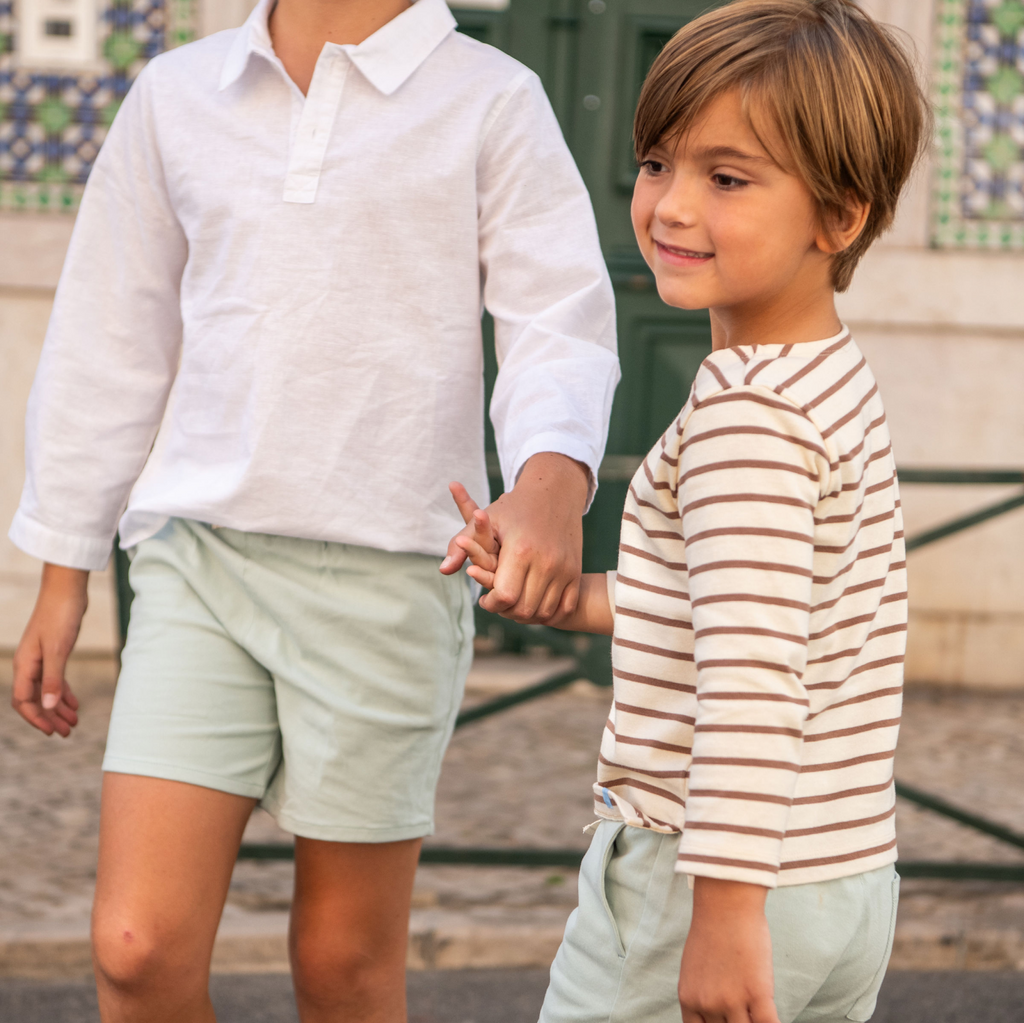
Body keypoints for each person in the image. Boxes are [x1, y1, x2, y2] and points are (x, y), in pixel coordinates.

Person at [8, 0, 619, 1018]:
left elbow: (557, 317)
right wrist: (63, 565)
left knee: (343, 967)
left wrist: (551, 484)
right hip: (199, 565)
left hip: (393, 579)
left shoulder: (492, 98)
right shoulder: (175, 93)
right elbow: (108, 337)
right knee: (135, 949)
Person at [451, 2, 926, 1020]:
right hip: (845, 873)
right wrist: (570, 597)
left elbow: (752, 677)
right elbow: (757, 611)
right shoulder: (827, 378)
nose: (668, 206)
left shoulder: (744, 416)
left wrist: (723, 912)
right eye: (657, 163)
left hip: (707, 883)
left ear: (839, 217)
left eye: (727, 178)